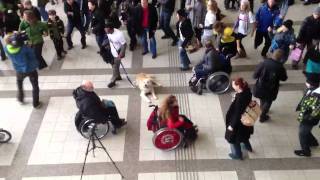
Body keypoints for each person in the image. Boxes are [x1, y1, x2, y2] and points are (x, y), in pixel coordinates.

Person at [4, 32, 41, 108]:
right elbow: (33, 56)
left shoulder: (6, 48)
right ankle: (36, 103)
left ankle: (20, 99)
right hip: (31, 70)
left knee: (19, 84)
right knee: (35, 86)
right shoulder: (25, 48)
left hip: (19, 70)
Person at [253, 49, 288, 122]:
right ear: (281, 58)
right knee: (268, 101)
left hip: (260, 86)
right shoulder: (280, 67)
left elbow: (255, 76)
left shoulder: (263, 63)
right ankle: (262, 116)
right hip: (271, 88)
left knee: (262, 99)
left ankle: (262, 110)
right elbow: (284, 78)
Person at [225, 77, 253, 160]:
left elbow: (237, 114)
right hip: (246, 119)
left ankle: (238, 155)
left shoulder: (240, 99)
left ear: (238, 86)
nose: (232, 85)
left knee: (234, 139)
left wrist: (232, 126)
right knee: (244, 135)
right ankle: (248, 147)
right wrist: (236, 95)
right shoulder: (247, 91)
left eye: (233, 84)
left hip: (238, 123)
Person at [294, 81, 320, 157]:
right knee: (305, 130)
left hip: (310, 118)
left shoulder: (317, 95)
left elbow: (315, 108)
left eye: (308, 82)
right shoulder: (312, 90)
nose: (306, 83)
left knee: (302, 133)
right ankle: (313, 142)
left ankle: (306, 151)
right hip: (306, 115)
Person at [103, 21, 127, 88]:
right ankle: (118, 76)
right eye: (105, 29)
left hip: (117, 54)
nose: (105, 31)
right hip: (111, 52)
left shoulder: (119, 34)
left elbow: (124, 45)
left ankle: (112, 81)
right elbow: (109, 39)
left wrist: (121, 54)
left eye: (107, 30)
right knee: (114, 66)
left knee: (114, 67)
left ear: (111, 29)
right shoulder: (108, 32)